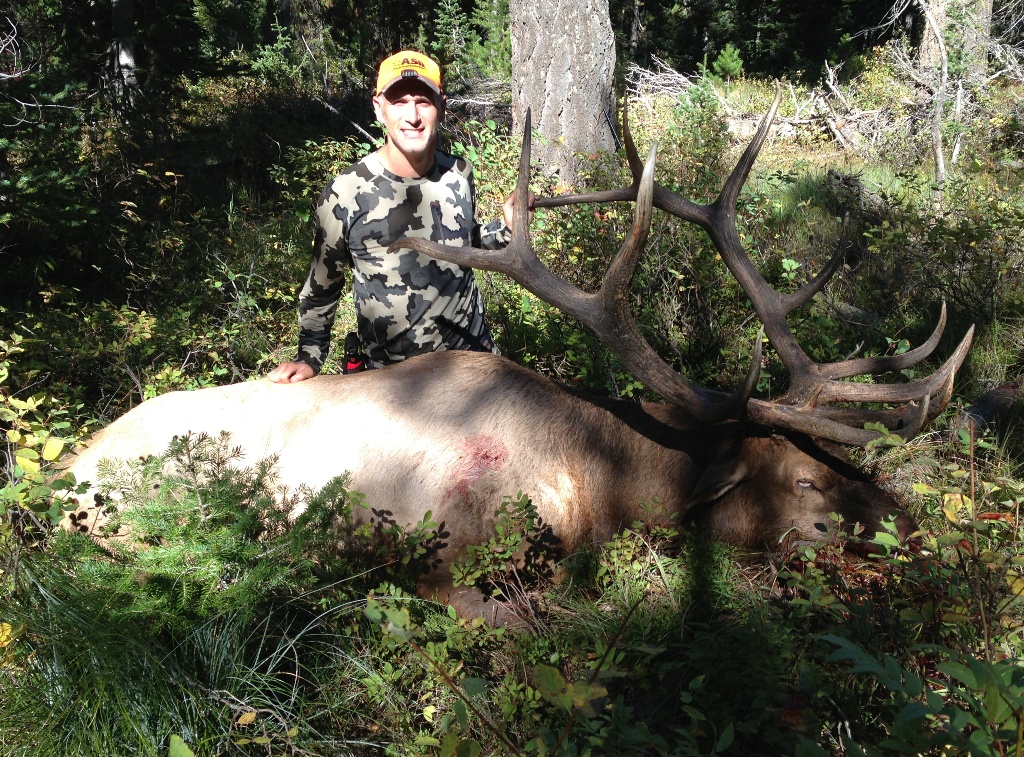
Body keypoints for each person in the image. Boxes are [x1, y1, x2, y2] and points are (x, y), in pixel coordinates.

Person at [269, 50, 526, 384]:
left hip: (475, 368)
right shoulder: (345, 192)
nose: (413, 116)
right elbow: (322, 285)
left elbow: (463, 241)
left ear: (442, 107)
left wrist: (506, 228)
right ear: (379, 108)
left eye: (423, 101)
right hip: (394, 386)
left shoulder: (459, 173)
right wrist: (309, 357)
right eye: (400, 102)